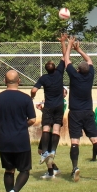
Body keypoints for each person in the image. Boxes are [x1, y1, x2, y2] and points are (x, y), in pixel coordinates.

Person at [0, 70, 37, 192]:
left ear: (4, 81)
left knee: (9, 170)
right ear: (19, 81)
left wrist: (2, 123)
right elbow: (32, 119)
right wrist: (22, 125)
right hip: (21, 139)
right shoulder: (26, 98)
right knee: (25, 170)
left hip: (5, 140)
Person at [64, 36, 97, 182]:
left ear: (78, 70)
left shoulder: (74, 75)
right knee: (95, 139)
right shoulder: (90, 75)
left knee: (75, 141)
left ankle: (75, 167)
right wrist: (79, 49)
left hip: (75, 113)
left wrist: (69, 45)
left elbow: (67, 60)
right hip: (88, 112)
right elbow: (90, 61)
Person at [31, 34, 67, 179]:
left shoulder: (43, 78)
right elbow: (65, 57)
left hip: (49, 107)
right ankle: (52, 152)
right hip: (59, 107)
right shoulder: (59, 73)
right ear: (54, 68)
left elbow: (34, 90)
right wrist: (63, 42)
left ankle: (47, 153)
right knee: (56, 129)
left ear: (46, 69)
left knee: (46, 129)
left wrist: (32, 97)